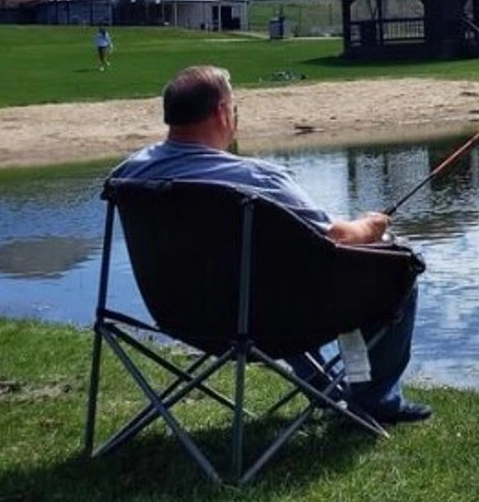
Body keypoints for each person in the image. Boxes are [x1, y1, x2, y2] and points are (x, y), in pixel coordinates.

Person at [107, 65, 431, 425]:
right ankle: (376, 402)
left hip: (178, 315)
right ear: (220, 113)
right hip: (266, 324)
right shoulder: (254, 179)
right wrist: (371, 225)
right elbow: (336, 237)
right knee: (395, 264)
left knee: (276, 268)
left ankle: (321, 388)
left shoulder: (129, 173)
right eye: (234, 107)